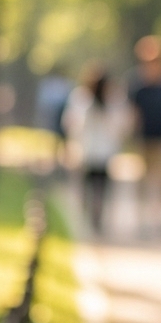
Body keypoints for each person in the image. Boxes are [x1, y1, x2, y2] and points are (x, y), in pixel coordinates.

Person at [62, 66, 126, 236]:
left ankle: (95, 218)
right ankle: (91, 218)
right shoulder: (83, 98)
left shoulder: (111, 100)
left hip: (98, 151)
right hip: (90, 151)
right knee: (94, 188)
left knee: (95, 187)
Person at [129, 37, 161, 237]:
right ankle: (142, 220)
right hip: (144, 140)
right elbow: (134, 114)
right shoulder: (137, 85)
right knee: (143, 181)